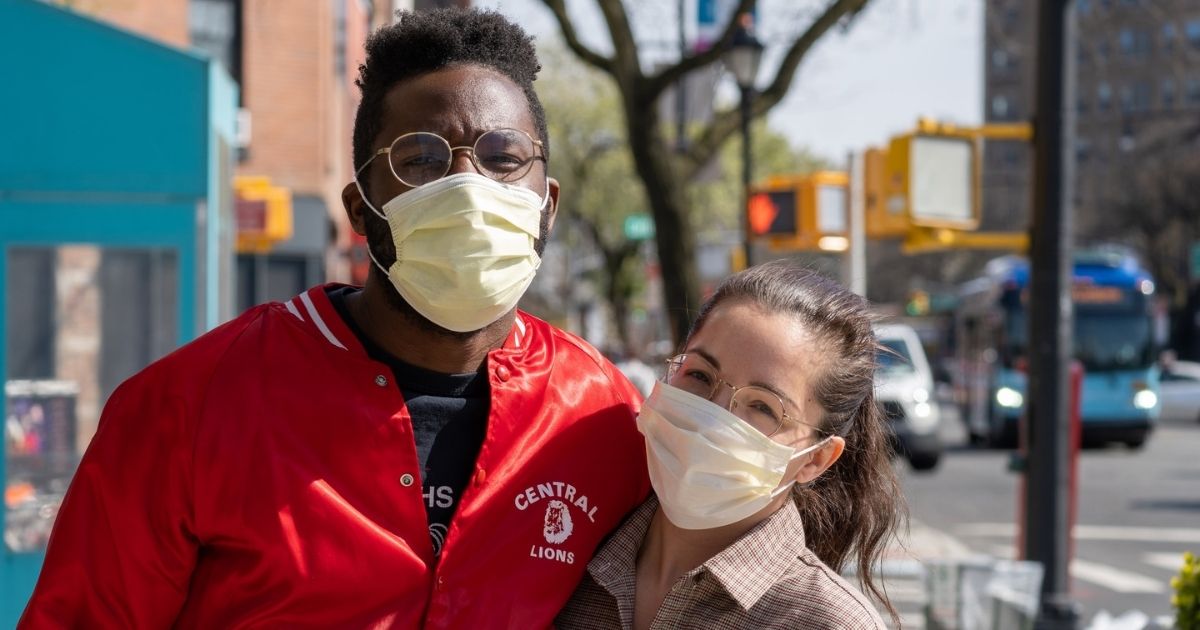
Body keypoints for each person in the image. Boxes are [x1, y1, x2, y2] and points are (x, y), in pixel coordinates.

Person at [20, 9, 649, 628]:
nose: (469, 187)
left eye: (504, 157)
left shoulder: (603, 417)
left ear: (548, 205)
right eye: (422, 159)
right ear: (361, 208)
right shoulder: (188, 408)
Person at [557, 261, 906, 629]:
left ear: (816, 459)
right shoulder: (565, 557)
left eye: (762, 407)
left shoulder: (826, 622)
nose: (712, 415)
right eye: (699, 375)